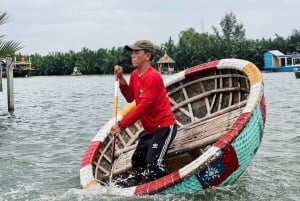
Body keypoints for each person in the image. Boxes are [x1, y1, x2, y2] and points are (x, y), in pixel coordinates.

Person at [110, 40, 177, 186]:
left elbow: (143, 107)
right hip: (150, 130)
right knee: (137, 161)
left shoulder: (153, 77)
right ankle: (142, 186)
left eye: (136, 53)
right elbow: (130, 97)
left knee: (153, 165)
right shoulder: (134, 75)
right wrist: (121, 79)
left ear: (147, 56)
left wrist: (121, 125)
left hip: (164, 127)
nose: (132, 56)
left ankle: (171, 188)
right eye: (132, 53)